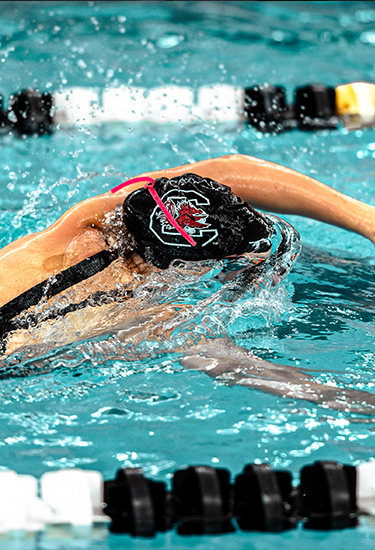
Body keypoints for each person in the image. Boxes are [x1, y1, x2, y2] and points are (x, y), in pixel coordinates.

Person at [0, 153, 375, 413]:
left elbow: (229, 171)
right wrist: (335, 396)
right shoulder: (138, 315)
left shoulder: (88, 222)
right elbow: (228, 362)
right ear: (186, 265)